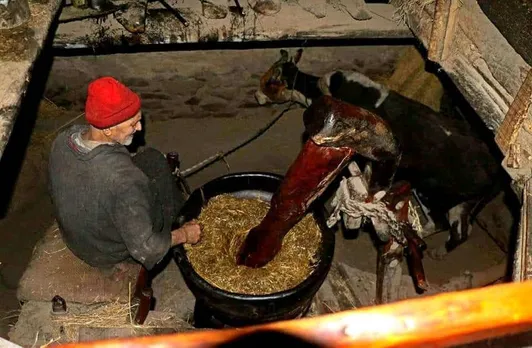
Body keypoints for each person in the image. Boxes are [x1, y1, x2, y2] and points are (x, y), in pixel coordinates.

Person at [48, 76, 201, 275]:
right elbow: (147, 248)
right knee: (159, 185)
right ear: (109, 129)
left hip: (77, 235)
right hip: (105, 252)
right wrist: (185, 234)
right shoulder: (124, 180)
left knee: (153, 158)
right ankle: (180, 217)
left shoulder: (64, 139)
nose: (139, 128)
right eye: (133, 124)